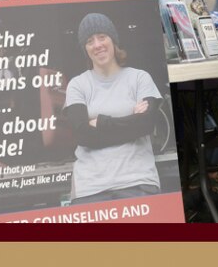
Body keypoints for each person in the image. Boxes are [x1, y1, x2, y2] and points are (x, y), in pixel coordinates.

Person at [62, 13, 163, 206]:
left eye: (102, 37)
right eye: (90, 41)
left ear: (113, 40)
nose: (97, 44)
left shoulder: (139, 78)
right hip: (90, 189)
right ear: (85, 49)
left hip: (137, 183)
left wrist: (100, 123)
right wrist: (131, 121)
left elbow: (146, 124)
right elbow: (82, 135)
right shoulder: (77, 85)